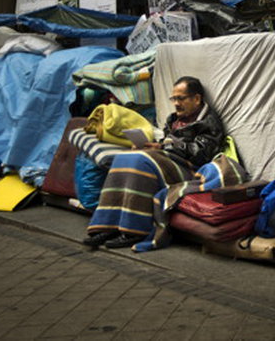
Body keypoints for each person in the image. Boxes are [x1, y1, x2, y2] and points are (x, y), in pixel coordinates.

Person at [83, 76, 225, 248]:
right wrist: (152, 146)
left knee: (141, 161)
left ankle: (134, 230)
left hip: (190, 168)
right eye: (174, 98)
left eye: (181, 98)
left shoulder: (208, 122)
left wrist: (164, 147)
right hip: (168, 159)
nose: (176, 103)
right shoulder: (174, 119)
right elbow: (165, 143)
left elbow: (201, 153)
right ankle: (108, 225)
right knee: (124, 157)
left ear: (196, 99)